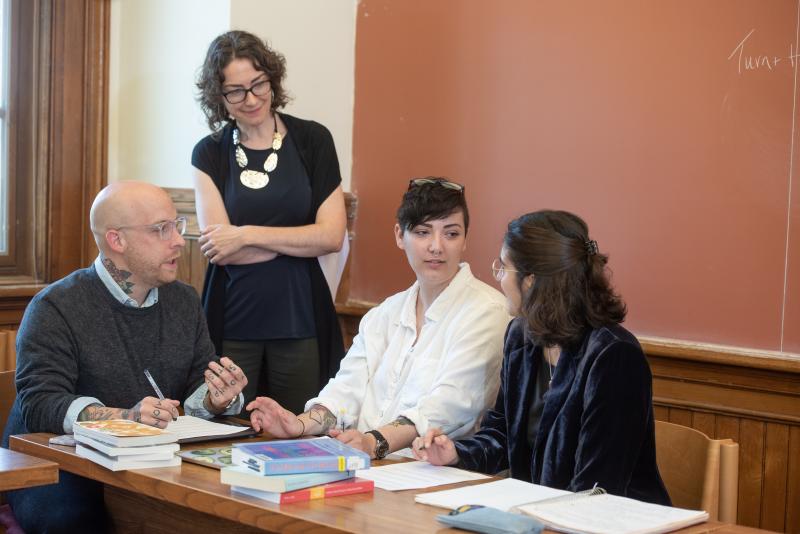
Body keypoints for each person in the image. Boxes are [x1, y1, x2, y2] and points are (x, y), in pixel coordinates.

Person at [1, 181, 249, 533]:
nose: (179, 240)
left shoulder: (184, 300)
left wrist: (214, 397)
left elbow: (197, 382)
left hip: (151, 462)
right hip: (60, 464)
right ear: (117, 240)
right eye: (162, 230)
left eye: (177, 226)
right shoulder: (55, 307)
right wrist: (126, 417)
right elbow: (41, 403)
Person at [414, 210, 671, 505]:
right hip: (538, 517)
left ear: (531, 281)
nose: (497, 277)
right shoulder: (521, 337)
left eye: (504, 267)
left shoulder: (613, 355)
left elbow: (598, 487)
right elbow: (502, 433)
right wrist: (457, 453)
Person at [247, 178, 511, 459]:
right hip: (365, 465)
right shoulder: (385, 312)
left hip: (433, 473)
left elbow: (449, 404)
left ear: (465, 239)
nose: (436, 246)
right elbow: (347, 388)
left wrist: (373, 443)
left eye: (451, 233)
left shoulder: (488, 311)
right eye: (422, 232)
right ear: (400, 235)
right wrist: (299, 425)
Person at [192, 30, 346, 415]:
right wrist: (296, 242)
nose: (252, 98)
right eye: (236, 91)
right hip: (232, 319)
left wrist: (245, 234)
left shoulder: (313, 140)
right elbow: (220, 251)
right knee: (229, 432)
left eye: (258, 84)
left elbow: (330, 236)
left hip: (301, 317)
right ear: (220, 97)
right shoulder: (209, 153)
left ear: (272, 79)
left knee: (299, 427)